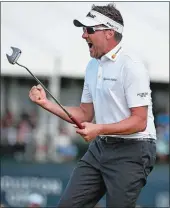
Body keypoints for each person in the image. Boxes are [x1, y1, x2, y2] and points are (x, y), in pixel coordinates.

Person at [29, 3, 157, 208]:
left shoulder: (131, 65)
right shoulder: (92, 65)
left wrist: (98, 129)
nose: (83, 35)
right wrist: (46, 103)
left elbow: (139, 122)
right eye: (83, 30)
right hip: (101, 148)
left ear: (109, 32)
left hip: (134, 149)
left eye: (89, 30)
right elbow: (84, 114)